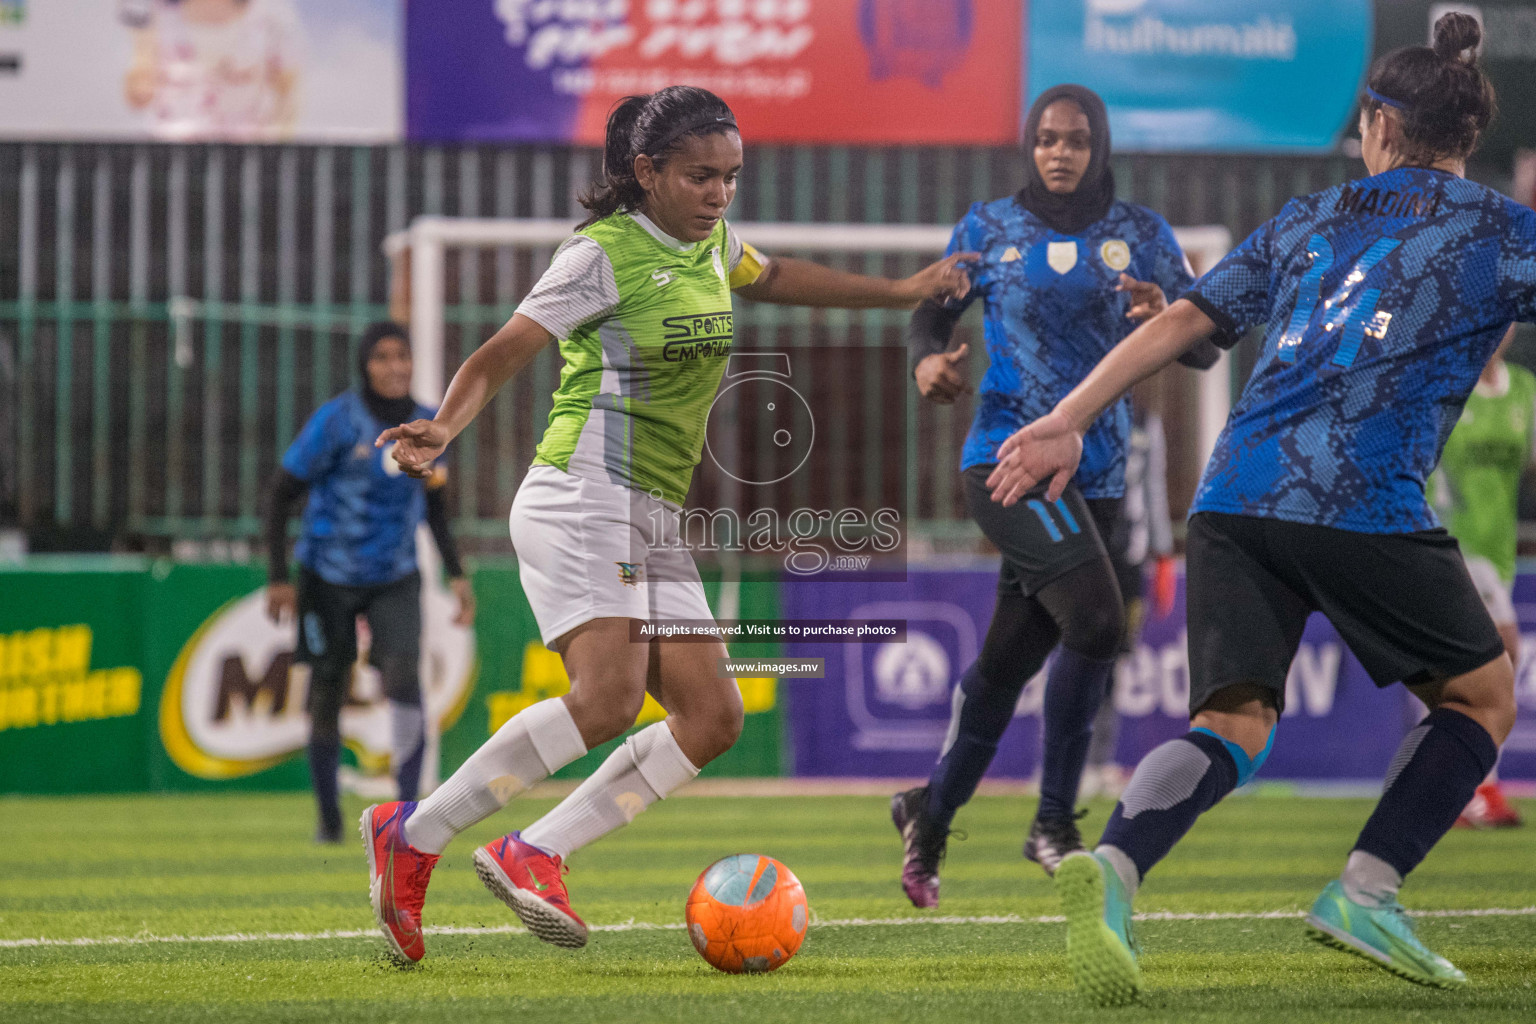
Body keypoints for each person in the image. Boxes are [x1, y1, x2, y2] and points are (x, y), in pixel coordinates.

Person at [360, 85, 976, 964]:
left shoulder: (712, 244)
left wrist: (901, 293)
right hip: (581, 492)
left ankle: (531, 849)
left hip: (650, 514)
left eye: (731, 177)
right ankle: (418, 836)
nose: (721, 194)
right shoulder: (600, 255)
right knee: (608, 698)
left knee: (711, 716)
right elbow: (503, 350)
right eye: (701, 177)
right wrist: (444, 426)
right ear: (646, 173)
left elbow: (784, 277)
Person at [987, 13, 1531, 1003]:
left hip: (1233, 495)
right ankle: (1367, 887)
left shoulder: (1309, 215)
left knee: (1230, 720)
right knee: (1483, 690)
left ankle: (1113, 867)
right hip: (1358, 492)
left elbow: (1191, 319)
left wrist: (1066, 417)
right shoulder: (1501, 230)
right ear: (1467, 134)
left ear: (1377, 122)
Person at [892, 84, 1217, 908]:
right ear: (1028, 146)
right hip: (1008, 463)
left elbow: (1205, 348)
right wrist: (930, 361)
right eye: (1044, 140)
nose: (1059, 153)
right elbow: (931, 318)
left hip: (1100, 477)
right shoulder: (988, 229)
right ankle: (1052, 823)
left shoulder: (1142, 235)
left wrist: (1166, 310)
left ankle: (926, 815)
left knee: (1007, 661)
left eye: (1074, 140)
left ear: (1098, 145)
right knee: (1100, 621)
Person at [265, 322, 476, 844]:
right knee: (327, 691)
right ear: (365, 365)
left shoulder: (428, 424)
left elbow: (434, 507)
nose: (394, 367)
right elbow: (279, 494)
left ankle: (406, 818)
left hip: (394, 576)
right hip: (325, 577)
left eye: (402, 356)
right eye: (382, 357)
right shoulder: (336, 421)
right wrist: (278, 578)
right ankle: (330, 820)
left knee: (405, 678)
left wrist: (457, 575)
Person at [1430, 324, 1528, 829]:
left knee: (1467, 677)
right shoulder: (1445, 381)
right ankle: (1477, 787)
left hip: (1499, 549)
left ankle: (1454, 786)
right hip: (1451, 545)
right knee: (1505, 653)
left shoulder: (1525, 389)